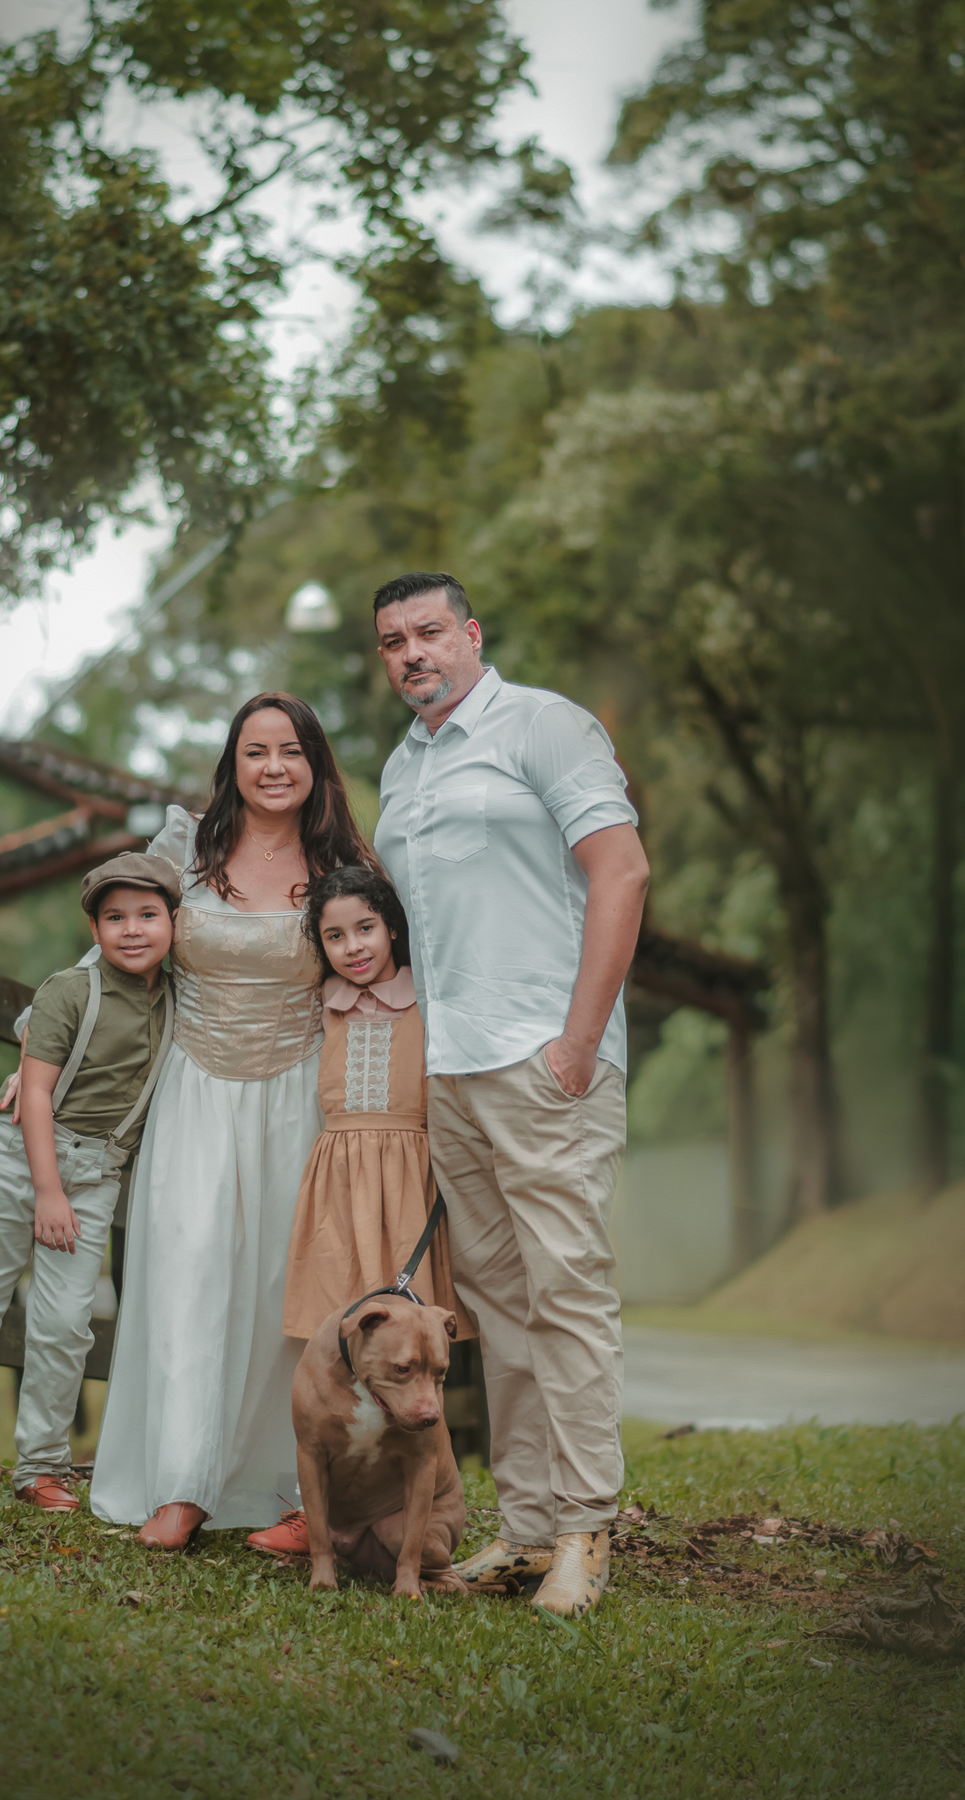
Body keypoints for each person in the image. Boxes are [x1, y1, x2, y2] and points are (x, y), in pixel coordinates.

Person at [372, 571, 650, 1617]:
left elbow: (620, 873)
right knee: (498, 1305)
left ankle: (586, 1529)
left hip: (546, 1062)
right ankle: (529, 1530)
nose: (413, 653)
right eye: (394, 640)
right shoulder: (403, 767)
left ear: (472, 633)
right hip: (453, 1073)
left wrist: (577, 1042)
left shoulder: (544, 725)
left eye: (431, 631)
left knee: (567, 1292)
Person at [88, 693, 379, 1552]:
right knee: (186, 1271)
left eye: (292, 750)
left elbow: (382, 959)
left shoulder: (344, 861)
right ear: (233, 765)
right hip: (195, 1090)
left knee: (278, 1292)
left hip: (299, 1094)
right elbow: (121, 932)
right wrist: (43, 1037)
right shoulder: (188, 846)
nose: (275, 767)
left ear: (315, 763)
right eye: (256, 752)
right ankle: (180, 1486)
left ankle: (292, 1489)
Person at [0, 853, 178, 1509]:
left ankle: (42, 1466)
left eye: (147, 915)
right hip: (22, 1162)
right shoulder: (69, 990)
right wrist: (48, 1191)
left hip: (99, 1171)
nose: (132, 930)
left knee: (65, 1324)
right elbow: (39, 1095)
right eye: (114, 918)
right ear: (93, 927)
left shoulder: (178, 999)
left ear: (173, 922)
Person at [282, 863, 472, 1336]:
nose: (353, 947)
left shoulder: (427, 1001)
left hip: (411, 1180)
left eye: (365, 928)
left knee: (413, 1325)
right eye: (335, 936)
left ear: (390, 925)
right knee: (340, 1318)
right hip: (339, 1183)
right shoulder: (325, 1001)